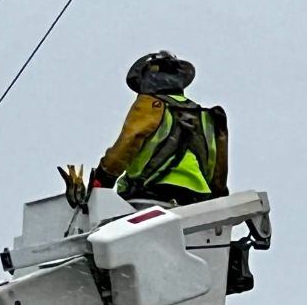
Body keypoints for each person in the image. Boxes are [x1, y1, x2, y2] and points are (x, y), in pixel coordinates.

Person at [91, 51, 228, 206]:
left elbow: (128, 142)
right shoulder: (206, 116)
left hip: (151, 193)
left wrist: (103, 178)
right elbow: (219, 173)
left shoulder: (150, 105)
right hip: (196, 199)